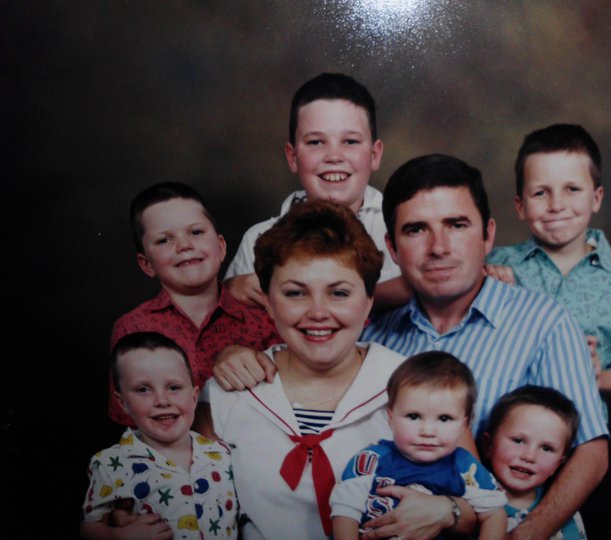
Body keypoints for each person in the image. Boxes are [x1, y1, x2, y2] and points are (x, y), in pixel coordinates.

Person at [212, 154, 609, 539]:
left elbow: (591, 451)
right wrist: (231, 354)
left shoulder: (545, 321)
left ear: (488, 235)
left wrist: (511, 534)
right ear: (393, 247)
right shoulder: (376, 331)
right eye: (416, 230)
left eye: (456, 225)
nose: (439, 247)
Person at [199, 200, 476, 540]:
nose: (318, 312)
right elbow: (183, 503)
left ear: (368, 301)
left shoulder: (416, 386)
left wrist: (448, 511)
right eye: (295, 293)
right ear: (269, 303)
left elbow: (478, 509)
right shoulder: (231, 390)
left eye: (339, 293)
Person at [486, 124, 611, 419]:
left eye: (572, 189)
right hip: (499, 423)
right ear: (520, 206)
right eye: (540, 193)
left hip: (581, 430)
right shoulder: (497, 264)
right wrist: (483, 283)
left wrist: (594, 376)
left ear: (596, 198)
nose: (556, 205)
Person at [222, 72, 409, 312]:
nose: (334, 156)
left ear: (374, 155)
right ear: (292, 157)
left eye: (350, 141)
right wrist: (228, 289)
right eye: (315, 142)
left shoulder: (401, 230)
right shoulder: (257, 239)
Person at [109, 182, 280, 425]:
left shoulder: (263, 318)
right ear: (146, 264)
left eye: (196, 232)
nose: (184, 245)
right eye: (164, 240)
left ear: (220, 247)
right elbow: (128, 422)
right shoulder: (132, 328)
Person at [331, 351, 507, 540]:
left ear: (465, 424)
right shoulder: (371, 459)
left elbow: (494, 514)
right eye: (413, 416)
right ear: (391, 418)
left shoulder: (465, 466)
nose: (428, 431)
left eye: (444, 418)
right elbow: (344, 514)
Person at [81, 332, 239, 540]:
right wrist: (118, 536)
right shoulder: (111, 464)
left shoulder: (222, 454)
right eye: (143, 389)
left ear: (193, 396)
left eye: (174, 387)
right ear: (122, 403)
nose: (162, 400)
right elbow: (89, 527)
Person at [481, 385, 586, 539]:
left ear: (558, 464)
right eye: (518, 440)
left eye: (546, 448)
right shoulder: (469, 500)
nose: (529, 456)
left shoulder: (564, 517)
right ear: (488, 445)